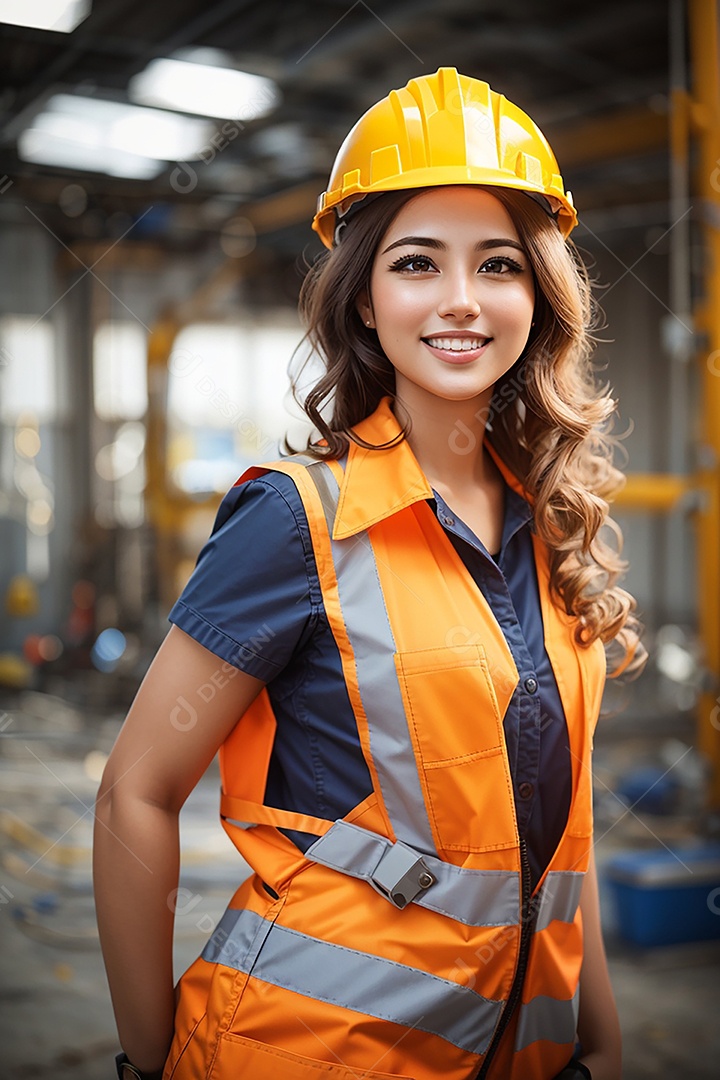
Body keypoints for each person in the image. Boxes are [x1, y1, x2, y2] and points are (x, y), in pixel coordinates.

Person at [93, 67, 645, 1080]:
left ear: (539, 293)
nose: (461, 300)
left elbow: (559, 839)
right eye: (417, 262)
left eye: (499, 265)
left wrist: (598, 1041)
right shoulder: (294, 520)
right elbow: (136, 792)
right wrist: (148, 1061)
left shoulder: (548, 524)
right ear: (364, 295)